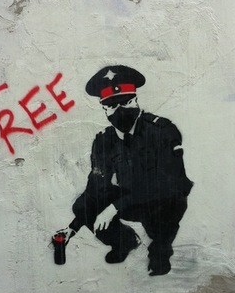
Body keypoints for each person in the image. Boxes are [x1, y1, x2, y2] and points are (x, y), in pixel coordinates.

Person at [56, 65, 193, 276]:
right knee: (84, 205)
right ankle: (124, 242)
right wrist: (73, 227)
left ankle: (161, 249)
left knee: (165, 213)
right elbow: (96, 187)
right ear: (104, 109)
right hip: (130, 199)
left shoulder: (162, 131)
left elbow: (166, 183)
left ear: (136, 101)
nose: (120, 111)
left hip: (165, 201)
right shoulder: (104, 141)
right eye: (112, 106)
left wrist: (114, 208)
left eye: (126, 102)